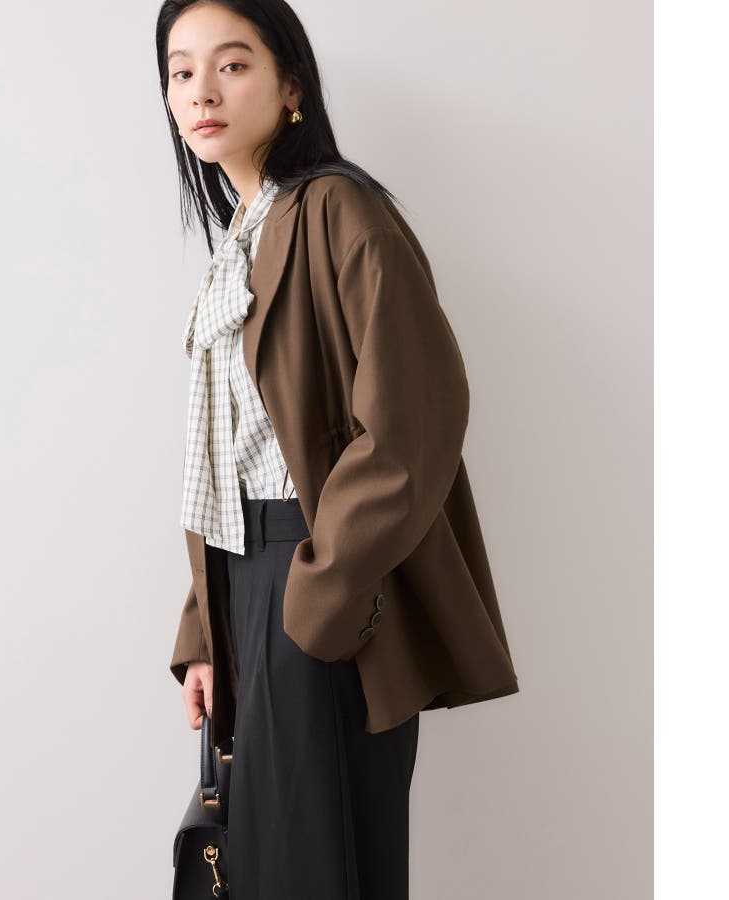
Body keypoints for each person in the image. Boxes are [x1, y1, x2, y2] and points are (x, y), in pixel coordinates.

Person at [156, 2, 519, 897]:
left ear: (291, 86)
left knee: (321, 874)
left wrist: (318, 597)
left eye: (231, 65)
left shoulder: (338, 211)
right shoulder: (239, 240)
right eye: (180, 71)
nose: (201, 92)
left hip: (317, 580)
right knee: (268, 870)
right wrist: (206, 631)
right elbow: (229, 456)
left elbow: (412, 421)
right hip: (247, 585)